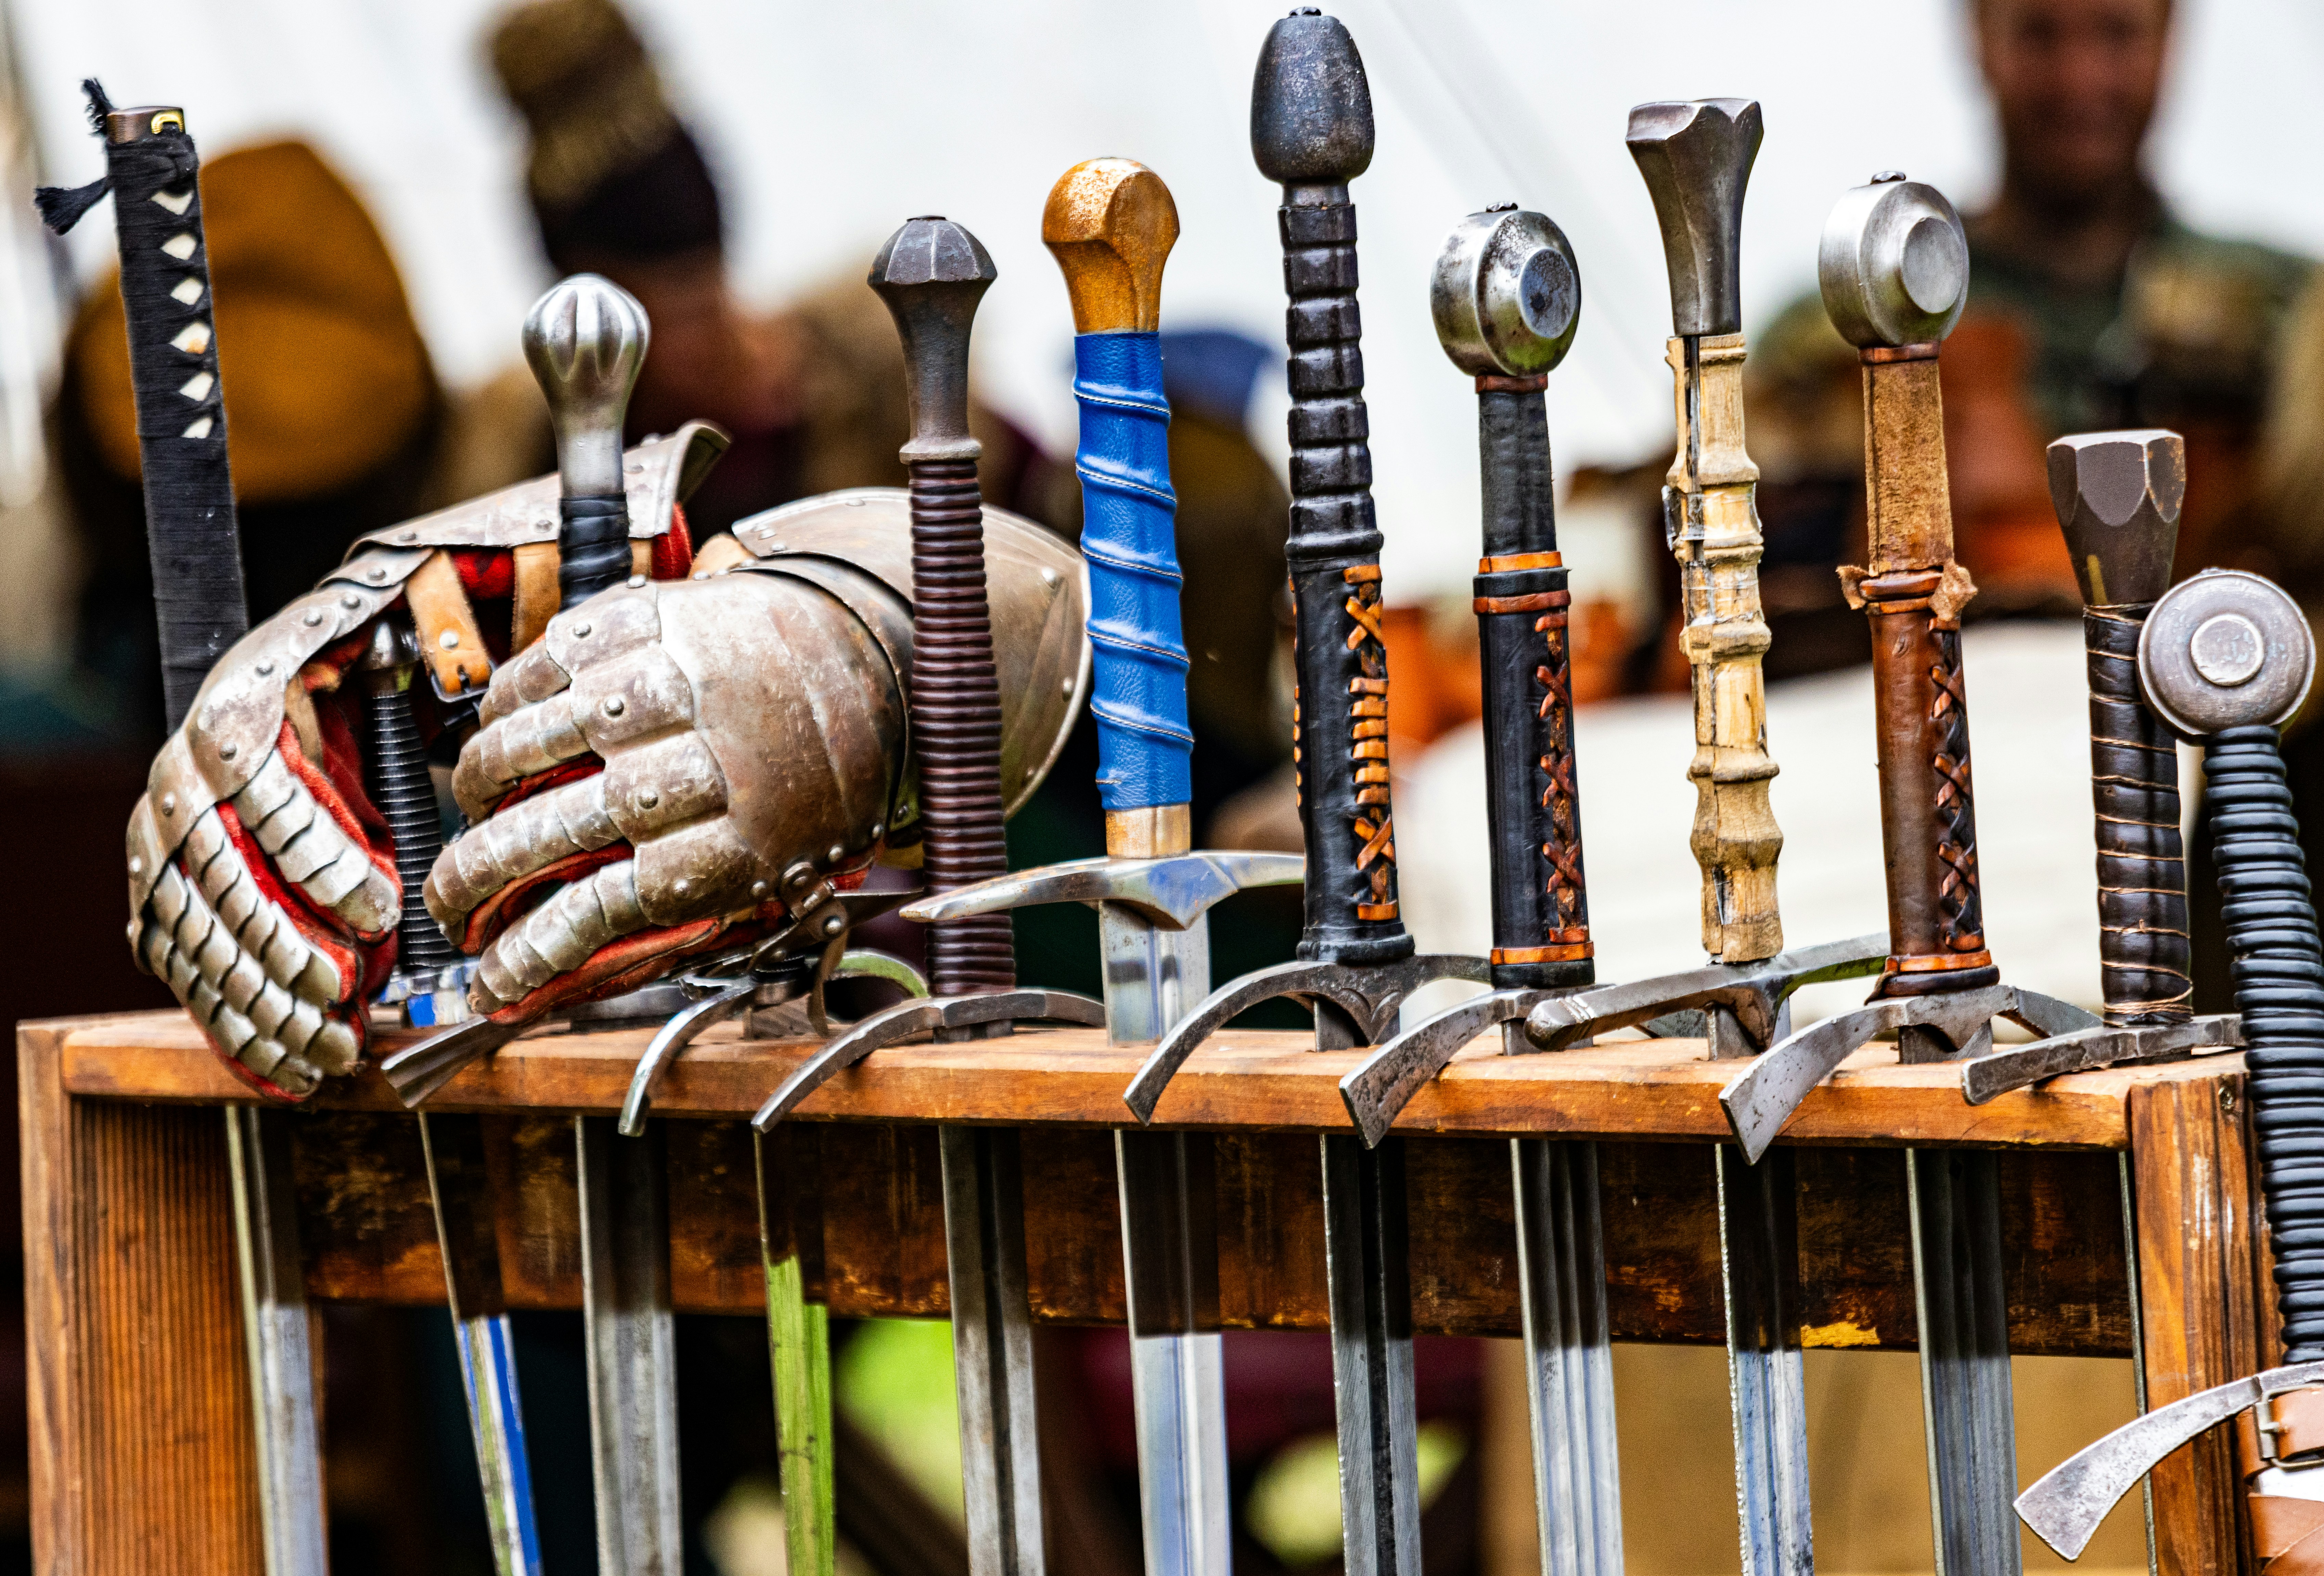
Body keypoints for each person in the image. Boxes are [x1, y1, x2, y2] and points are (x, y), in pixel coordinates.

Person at [1731, 0, 2314, 680]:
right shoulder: (1853, 320)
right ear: (1979, 36)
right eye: (2040, 33)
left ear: (2171, 38)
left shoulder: (2291, 317)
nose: (2080, 79)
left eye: (2117, 32)